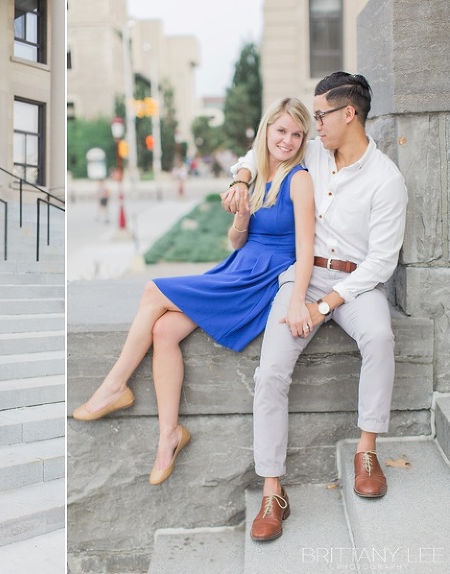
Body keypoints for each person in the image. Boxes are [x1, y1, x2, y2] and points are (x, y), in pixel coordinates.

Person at [72, 97, 316, 487]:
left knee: (153, 290)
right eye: (281, 130)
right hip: (239, 266)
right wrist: (242, 215)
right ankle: (170, 435)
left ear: (304, 140)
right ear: (267, 130)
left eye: (297, 134)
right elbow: (237, 242)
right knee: (164, 330)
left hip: (260, 279)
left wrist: (298, 299)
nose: (287, 140)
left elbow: (305, 248)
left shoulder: (298, 179)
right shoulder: (255, 175)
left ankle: (115, 386)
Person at [224, 72, 408, 542]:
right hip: (301, 276)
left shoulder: (386, 180)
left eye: (321, 115)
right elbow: (260, 152)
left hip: (356, 284)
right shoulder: (312, 153)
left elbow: (381, 263)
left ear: (349, 114)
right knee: (270, 372)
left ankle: (367, 450)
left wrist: (323, 305)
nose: (314, 125)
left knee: (380, 337)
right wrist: (242, 178)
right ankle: (273, 491)